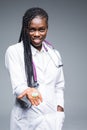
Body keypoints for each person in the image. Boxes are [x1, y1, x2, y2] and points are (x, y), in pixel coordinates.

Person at [5, 7, 65, 130]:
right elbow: (17, 85)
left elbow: (59, 85)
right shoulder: (14, 51)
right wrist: (26, 90)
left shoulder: (54, 54)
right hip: (27, 119)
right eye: (32, 30)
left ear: (47, 29)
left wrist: (60, 108)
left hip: (51, 118)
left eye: (41, 29)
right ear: (25, 29)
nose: (37, 34)